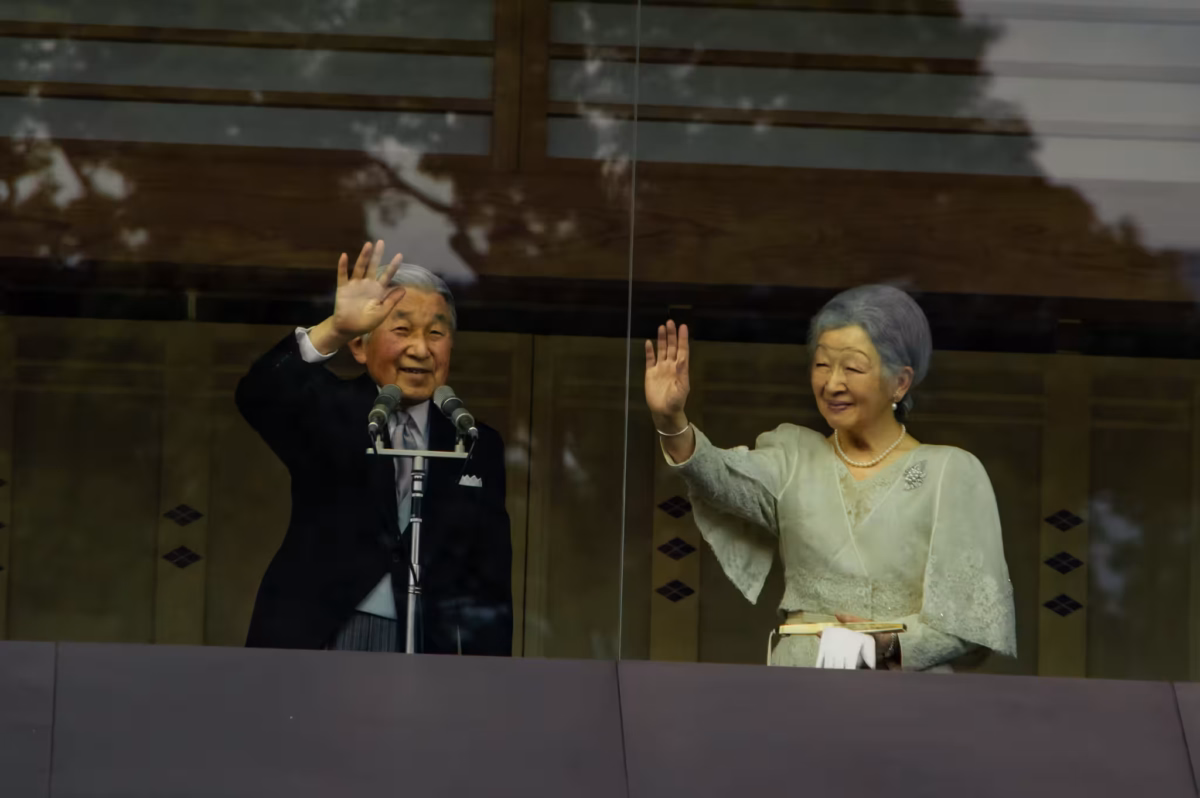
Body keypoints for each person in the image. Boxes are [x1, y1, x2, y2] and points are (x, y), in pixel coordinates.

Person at [644, 285, 1016, 671]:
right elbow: (717, 478)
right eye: (822, 365)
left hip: (903, 692)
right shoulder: (793, 457)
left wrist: (885, 647)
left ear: (900, 382)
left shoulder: (949, 473)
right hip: (798, 684)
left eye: (852, 368)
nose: (832, 383)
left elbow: (973, 620)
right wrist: (671, 421)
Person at [236, 241, 512, 655]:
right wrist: (335, 327)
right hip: (320, 634)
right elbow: (258, 394)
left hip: (426, 643)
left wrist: (489, 678)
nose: (420, 349)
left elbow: (488, 577)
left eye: (436, 333)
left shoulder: (473, 440)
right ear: (360, 346)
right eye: (401, 330)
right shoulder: (328, 410)